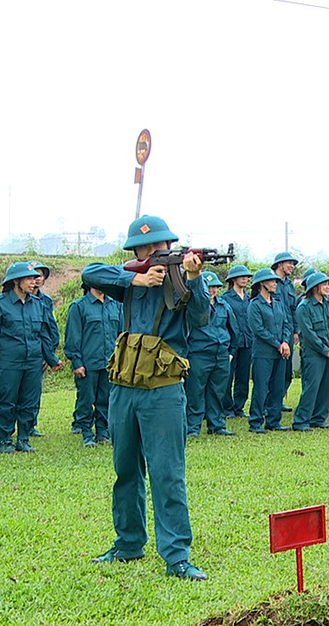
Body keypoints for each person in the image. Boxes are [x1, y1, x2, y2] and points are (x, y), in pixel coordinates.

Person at [84, 215, 210, 580]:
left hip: (163, 390)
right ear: (135, 251)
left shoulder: (180, 277)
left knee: (167, 473)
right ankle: (128, 543)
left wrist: (194, 277)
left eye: (158, 247)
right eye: (145, 248)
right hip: (124, 386)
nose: (152, 252)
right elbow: (91, 272)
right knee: (125, 469)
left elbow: (201, 317)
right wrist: (135, 277)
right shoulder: (130, 282)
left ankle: (176, 556)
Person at [0, 262, 61, 453]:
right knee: (7, 401)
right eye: (28, 278)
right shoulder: (2, 305)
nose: (33, 282)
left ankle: (24, 439)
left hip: (33, 361)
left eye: (34, 278)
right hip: (9, 361)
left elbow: (44, 334)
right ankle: (5, 440)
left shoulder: (39, 305)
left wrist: (51, 359)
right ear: (16, 281)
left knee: (29, 401)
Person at [64, 280, 121, 446]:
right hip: (88, 363)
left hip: (109, 363)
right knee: (86, 400)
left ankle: (103, 431)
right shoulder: (79, 307)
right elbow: (73, 337)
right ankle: (87, 433)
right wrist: (76, 362)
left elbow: (122, 333)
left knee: (106, 398)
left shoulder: (115, 305)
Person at [185, 271, 238, 437]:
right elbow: (185, 331)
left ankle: (216, 425)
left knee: (218, 390)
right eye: (209, 287)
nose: (212, 290)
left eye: (215, 286)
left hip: (221, 354)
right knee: (195, 391)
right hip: (199, 354)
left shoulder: (224, 306)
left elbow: (234, 330)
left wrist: (231, 352)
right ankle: (193, 426)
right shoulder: (193, 307)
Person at [292, 272, 329, 430]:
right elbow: (308, 334)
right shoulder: (304, 307)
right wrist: (325, 350)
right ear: (315, 287)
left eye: (328, 284)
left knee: (327, 387)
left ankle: (319, 419)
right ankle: (301, 421)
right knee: (311, 387)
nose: (328, 287)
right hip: (314, 354)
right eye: (324, 285)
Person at [248, 268, 292, 433]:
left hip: (280, 353)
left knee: (277, 387)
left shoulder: (278, 304)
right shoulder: (255, 305)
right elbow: (258, 329)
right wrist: (277, 343)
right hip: (263, 353)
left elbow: (287, 323)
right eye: (272, 281)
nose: (275, 284)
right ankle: (255, 422)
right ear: (262, 284)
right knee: (261, 387)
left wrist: (285, 342)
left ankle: (274, 421)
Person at [27, 260, 61, 436]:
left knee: (34, 391)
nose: (37, 279)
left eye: (40, 275)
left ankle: (30, 425)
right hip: (22, 351)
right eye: (33, 275)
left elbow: (49, 328)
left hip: (42, 350)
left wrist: (50, 354)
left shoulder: (46, 300)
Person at [220, 265, 253, 418]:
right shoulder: (225, 299)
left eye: (246, 276)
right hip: (232, 344)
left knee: (243, 376)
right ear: (233, 279)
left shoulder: (249, 298)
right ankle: (227, 408)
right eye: (241, 276)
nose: (245, 279)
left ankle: (239, 407)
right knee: (227, 376)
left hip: (247, 342)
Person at [270, 252, 298, 411]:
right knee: (273, 370)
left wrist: (295, 330)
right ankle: (270, 403)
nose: (292, 267)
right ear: (280, 264)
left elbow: (293, 308)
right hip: (275, 331)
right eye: (289, 263)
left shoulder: (289, 285)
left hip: (288, 331)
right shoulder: (270, 280)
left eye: (293, 264)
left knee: (286, 371)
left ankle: (278, 400)